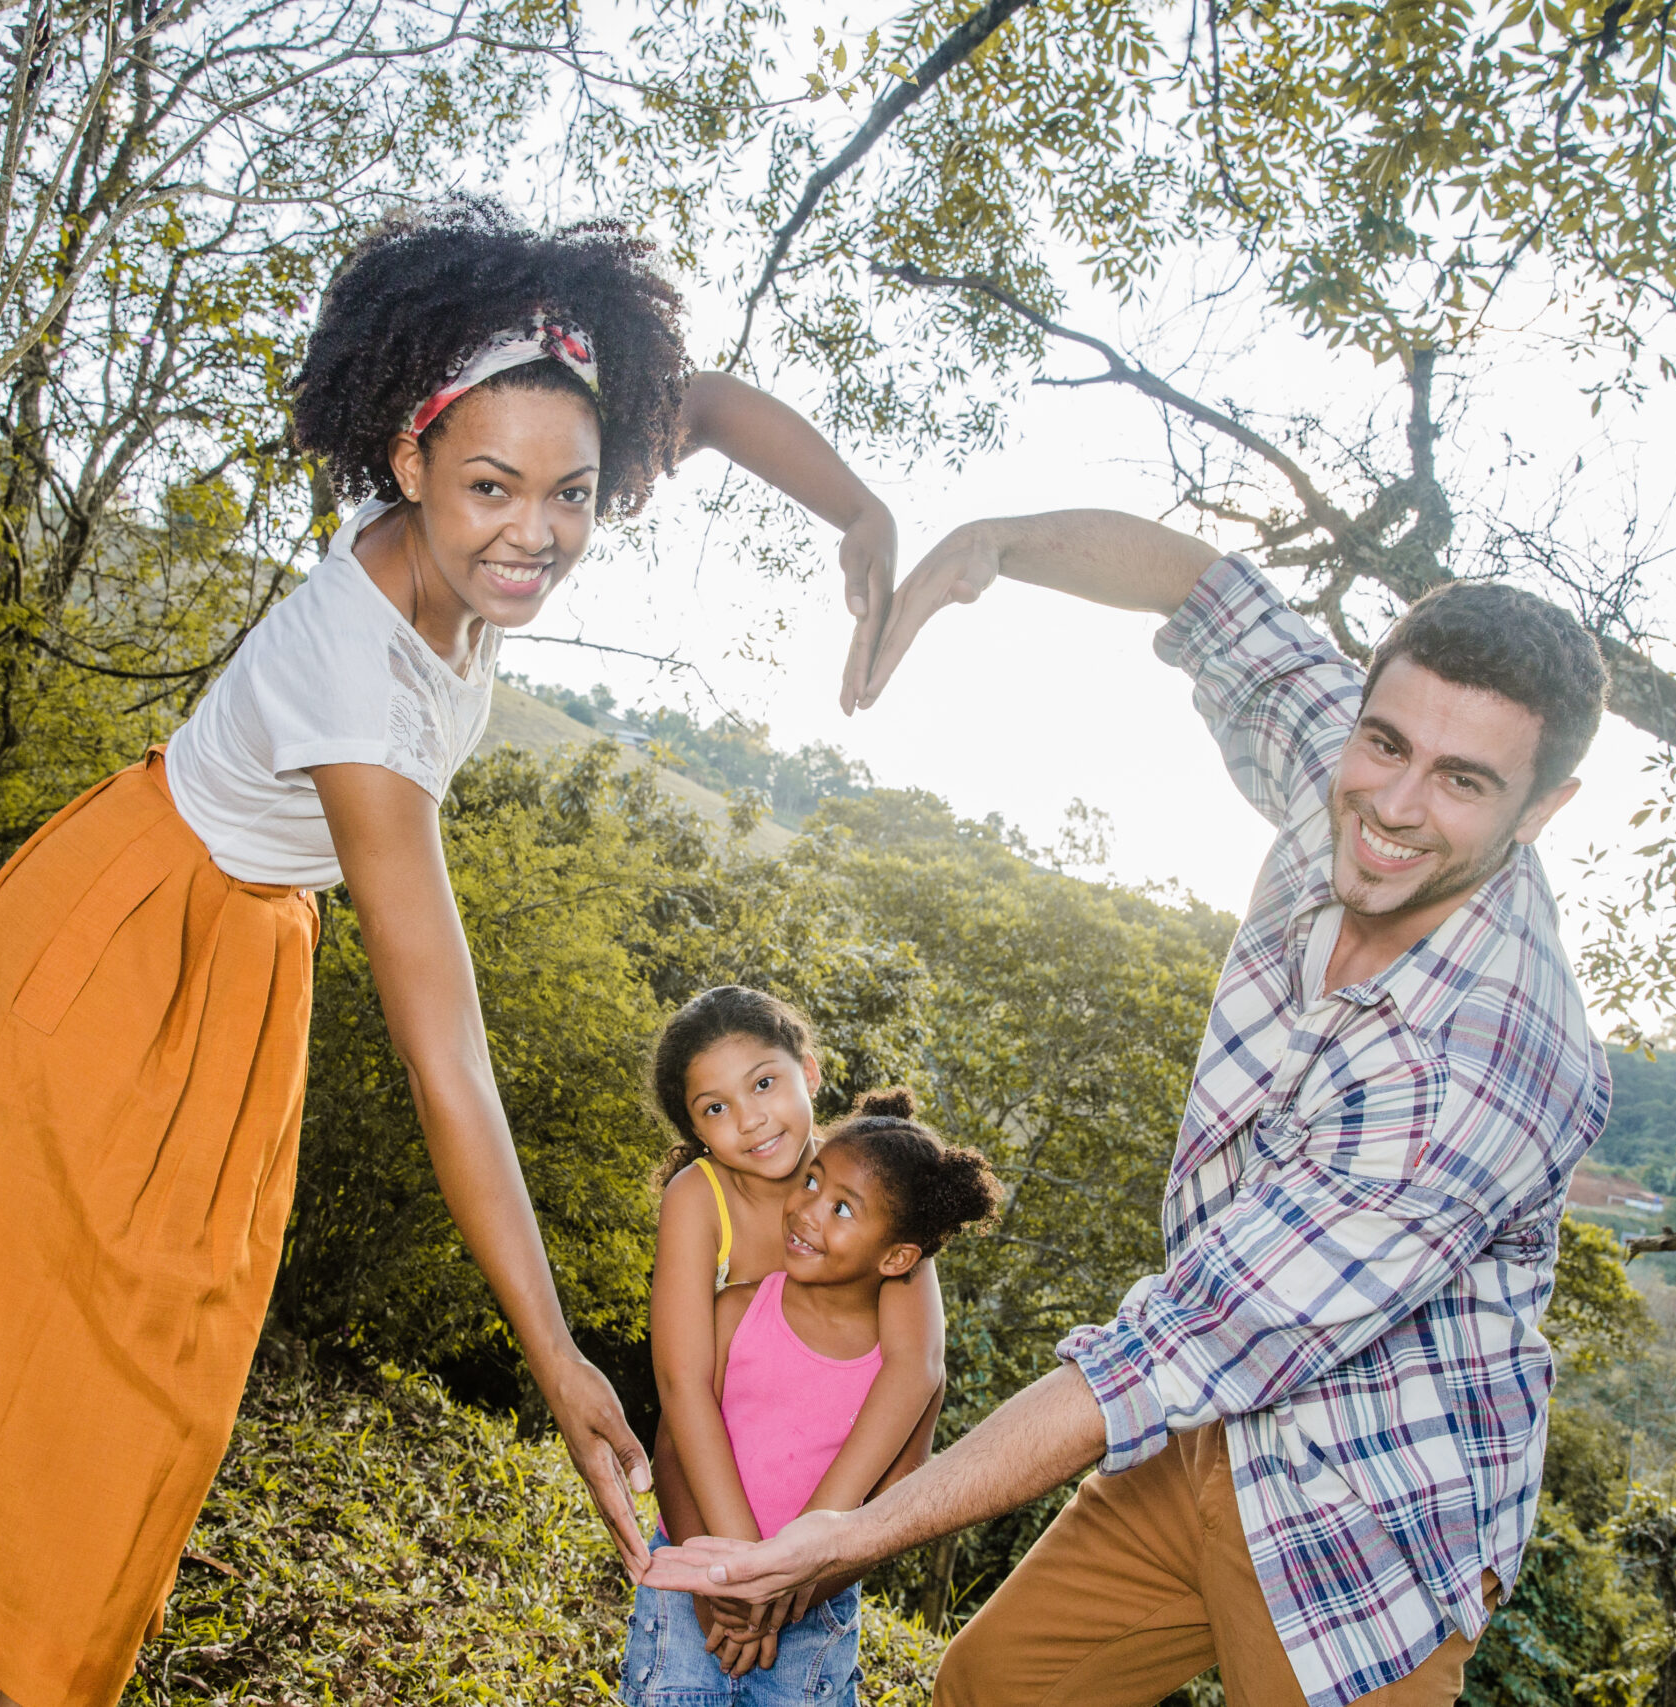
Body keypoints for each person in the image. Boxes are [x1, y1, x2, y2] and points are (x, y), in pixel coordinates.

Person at [0, 203, 902, 1707]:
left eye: (571, 492)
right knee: (91, 1385)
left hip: (239, 956)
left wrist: (862, 517)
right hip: (130, 941)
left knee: (156, 1380)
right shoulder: (355, 683)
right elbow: (447, 1053)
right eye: (493, 487)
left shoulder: (528, 459)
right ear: (409, 462)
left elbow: (695, 406)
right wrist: (557, 1353)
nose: (538, 531)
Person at [645, 509, 1614, 1707]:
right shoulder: (1348, 773)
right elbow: (1206, 589)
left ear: (1540, 809)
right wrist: (990, 545)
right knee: (990, 1689)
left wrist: (844, 1536)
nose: (1395, 806)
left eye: (1461, 781)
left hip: (1370, 1519)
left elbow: (1177, 1347)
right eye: (1386, 742)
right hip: (1211, 1439)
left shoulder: (1477, 1065)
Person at [624, 1086, 1002, 1706]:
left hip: (810, 1618)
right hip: (691, 1588)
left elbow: (890, 1505)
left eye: (843, 1209)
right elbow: (675, 1446)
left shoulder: (902, 1374)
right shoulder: (736, 1312)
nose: (807, 1212)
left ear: (899, 1255)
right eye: (810, 1183)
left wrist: (787, 1597)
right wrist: (713, 1584)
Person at [643, 989, 950, 1680]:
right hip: (713, 1504)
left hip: (825, 1540)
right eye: (715, 1107)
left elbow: (917, 1369)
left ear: (808, 1072)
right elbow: (682, 1385)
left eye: (764, 1082)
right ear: (695, 1129)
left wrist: (802, 1560)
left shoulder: (874, 1177)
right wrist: (737, 1571)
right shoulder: (698, 1198)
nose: (750, 1119)